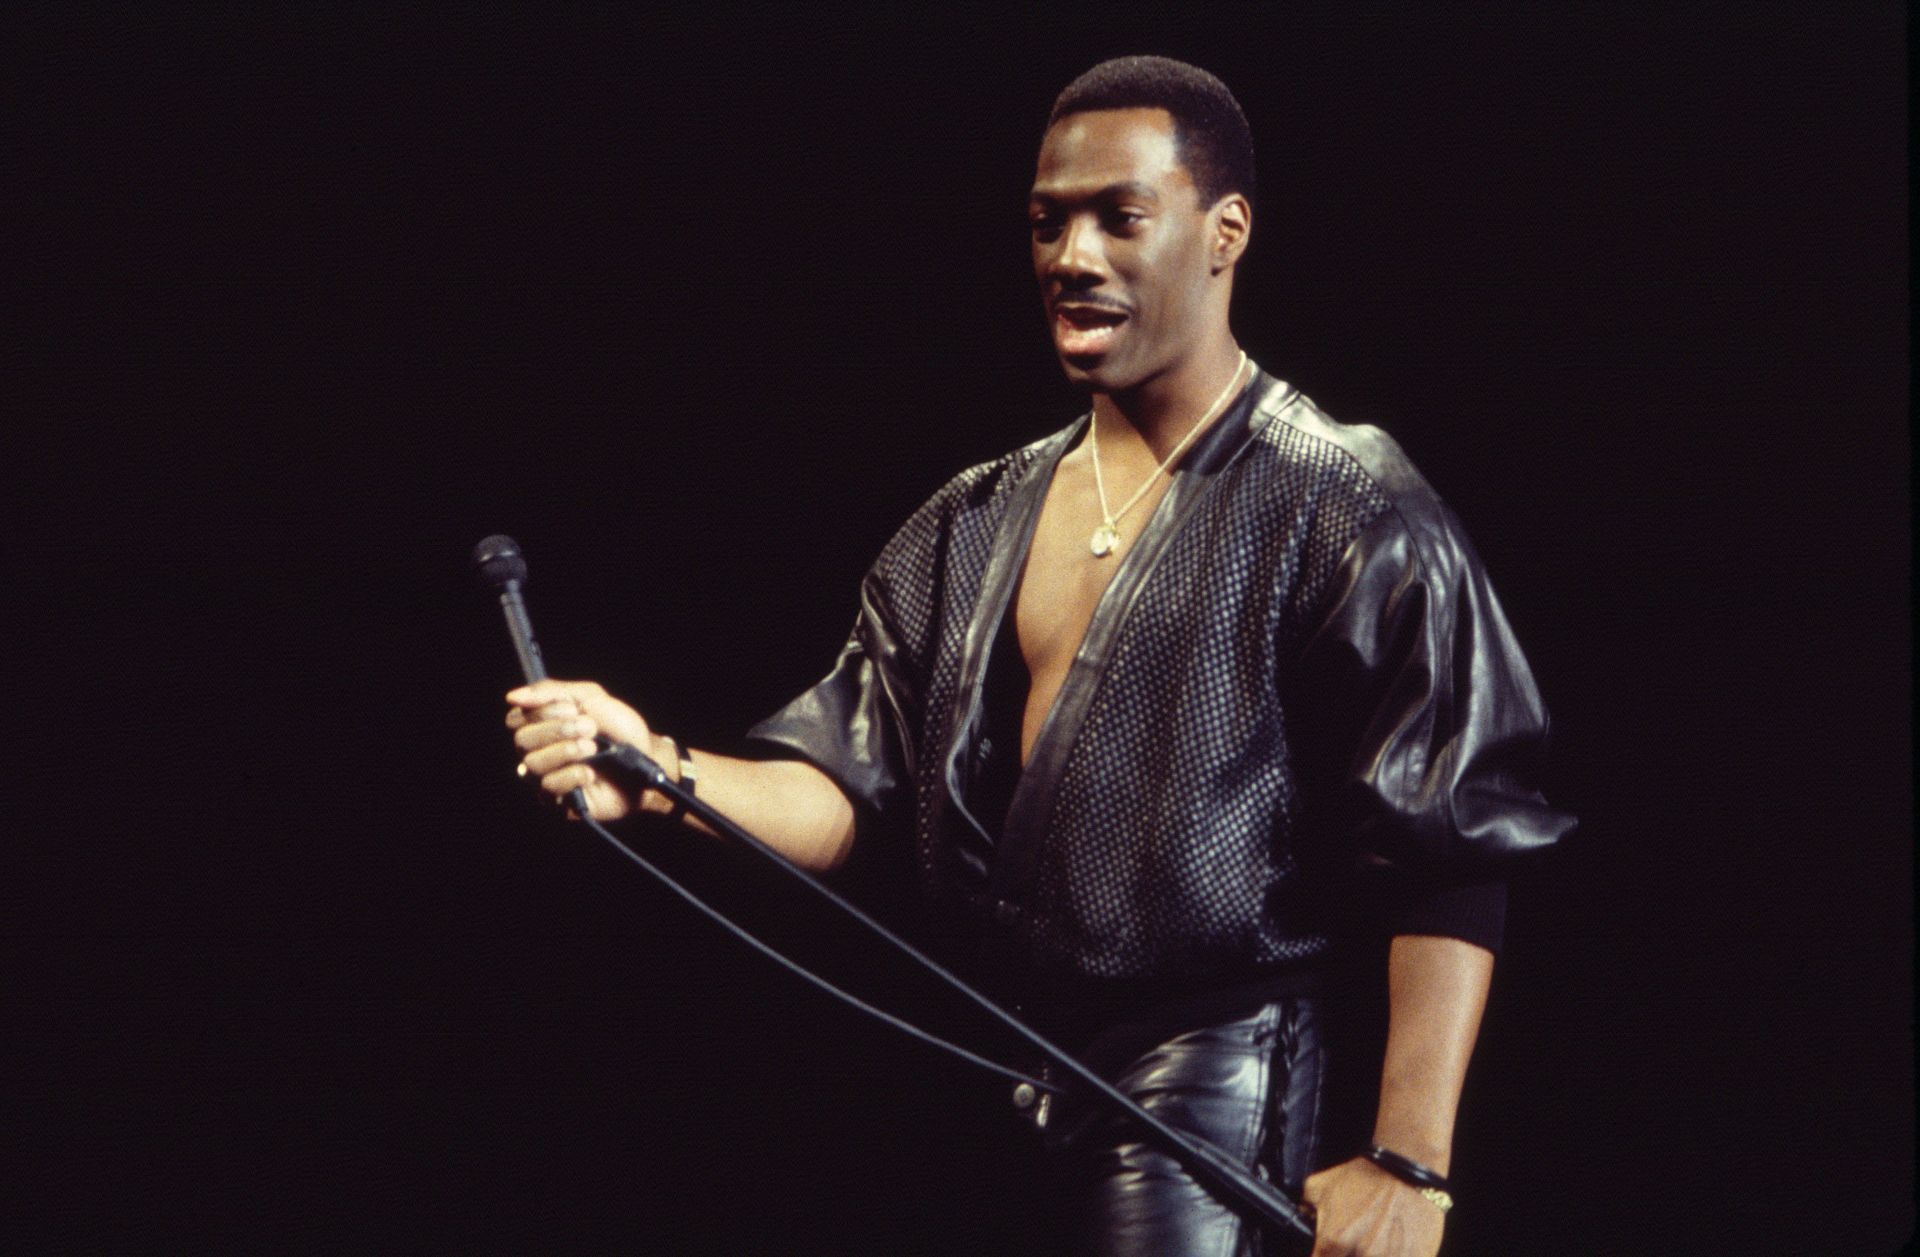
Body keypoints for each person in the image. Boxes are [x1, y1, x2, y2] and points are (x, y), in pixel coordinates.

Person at [505, 55, 1573, 1257]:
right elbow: (852, 780)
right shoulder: (975, 514)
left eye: (1121, 217)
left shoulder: (1342, 500)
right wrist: (660, 769)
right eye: (1047, 221)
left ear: (1225, 233)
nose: (1073, 257)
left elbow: (1453, 844)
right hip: (1006, 1072)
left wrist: (1410, 1162)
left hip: (1215, 1093)